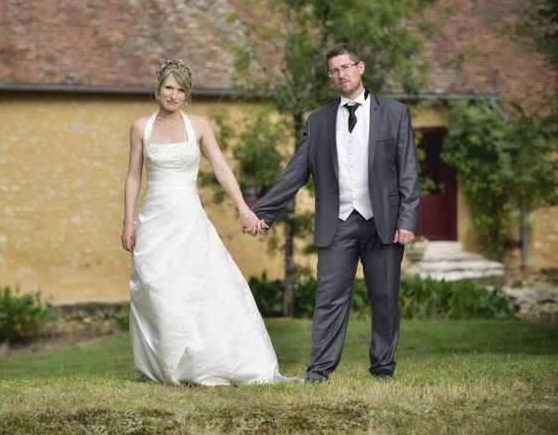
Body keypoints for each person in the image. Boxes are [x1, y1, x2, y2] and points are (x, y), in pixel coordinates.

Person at [245, 43, 420, 382]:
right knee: (328, 299)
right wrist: (262, 212)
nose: (341, 75)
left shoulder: (395, 113)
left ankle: (383, 368)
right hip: (337, 222)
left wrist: (408, 220)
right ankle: (319, 371)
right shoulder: (320, 121)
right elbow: (296, 171)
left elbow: (408, 171)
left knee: (384, 298)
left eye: (346, 67)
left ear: (361, 67)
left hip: (383, 222)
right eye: (334, 71)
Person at [121, 59, 292, 386]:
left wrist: (243, 208)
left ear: (187, 95)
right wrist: (128, 222)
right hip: (154, 219)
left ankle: (203, 364)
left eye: (180, 89)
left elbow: (221, 168)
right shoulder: (139, 127)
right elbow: (132, 177)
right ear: (157, 89)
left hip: (188, 218)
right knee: (158, 291)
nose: (173, 95)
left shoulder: (198, 125)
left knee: (199, 287)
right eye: (168, 87)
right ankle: (166, 365)